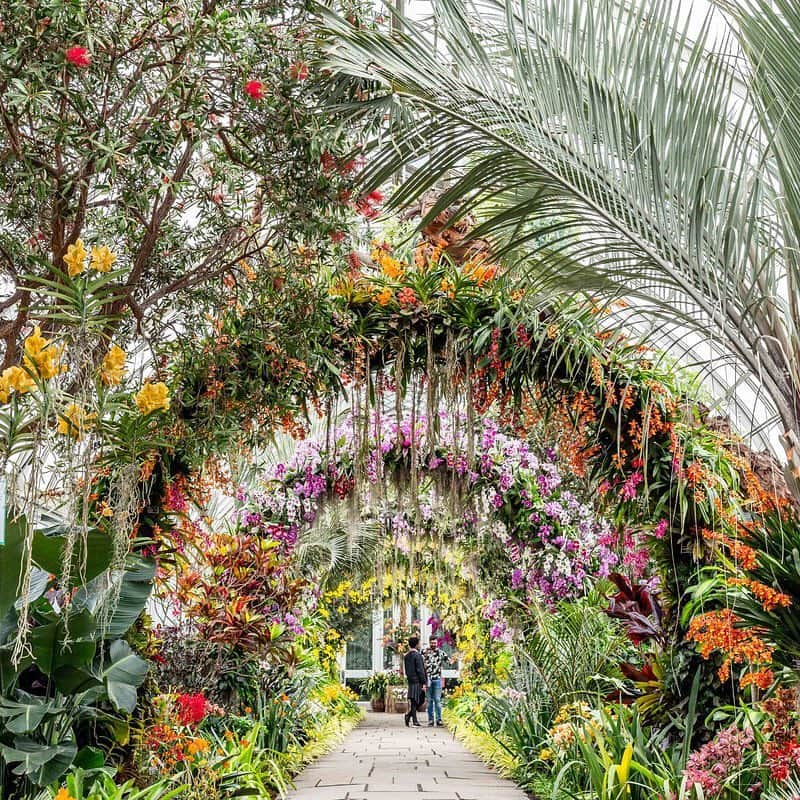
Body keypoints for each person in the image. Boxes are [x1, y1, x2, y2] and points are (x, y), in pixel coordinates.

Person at [423, 638, 449, 727]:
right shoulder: (425, 652)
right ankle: (430, 720)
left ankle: (439, 719)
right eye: (432, 643)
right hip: (428, 679)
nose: (433, 644)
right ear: (429, 643)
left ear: (437, 643)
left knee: (437, 700)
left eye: (435, 643)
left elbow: (449, 661)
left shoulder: (441, 653)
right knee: (429, 700)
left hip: (437, 678)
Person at [403, 635, 426, 727]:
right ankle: (414, 720)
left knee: (416, 700)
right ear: (417, 644)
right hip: (417, 681)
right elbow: (420, 670)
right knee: (417, 700)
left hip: (410, 680)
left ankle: (409, 715)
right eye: (419, 643)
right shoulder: (418, 655)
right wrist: (424, 682)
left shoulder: (407, 656)